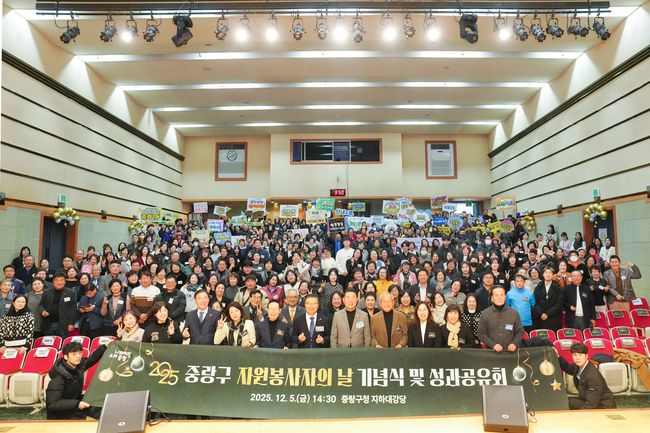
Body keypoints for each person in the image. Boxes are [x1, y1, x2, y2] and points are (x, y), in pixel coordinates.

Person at [46, 340, 109, 419]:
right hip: (60, 415)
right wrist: (77, 404)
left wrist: (104, 346)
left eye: (80, 353)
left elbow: (93, 358)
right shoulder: (58, 378)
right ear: (66, 357)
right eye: (74, 354)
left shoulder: (79, 366)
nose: (78, 356)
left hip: (74, 404)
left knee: (98, 404)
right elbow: (52, 404)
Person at [556, 342, 616, 410]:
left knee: (567, 405)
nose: (577, 358)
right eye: (575, 355)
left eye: (580, 355)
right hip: (588, 400)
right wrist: (558, 357)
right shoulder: (579, 366)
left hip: (603, 407)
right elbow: (568, 368)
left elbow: (591, 405)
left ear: (586, 356)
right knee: (565, 402)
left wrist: (578, 414)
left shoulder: (593, 376)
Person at [477, 286, 524, 352]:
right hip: (492, 352)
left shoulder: (514, 313)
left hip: (510, 353)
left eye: (501, 295)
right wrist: (493, 345)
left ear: (505, 297)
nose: (499, 298)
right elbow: (481, 333)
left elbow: (520, 331)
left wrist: (514, 343)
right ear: (492, 298)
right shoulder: (485, 313)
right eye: (496, 295)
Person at [39, 272, 77, 337]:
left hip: (64, 325)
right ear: (53, 281)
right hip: (48, 324)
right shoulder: (46, 292)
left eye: (61, 280)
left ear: (65, 281)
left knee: (62, 342)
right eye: (57, 280)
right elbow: (41, 305)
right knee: (48, 342)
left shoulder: (71, 293)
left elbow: (73, 309)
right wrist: (43, 311)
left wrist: (71, 323)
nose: (59, 282)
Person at [533, 267, 564, 331]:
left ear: (553, 275)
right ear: (543, 274)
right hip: (540, 317)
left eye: (550, 273)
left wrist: (548, 314)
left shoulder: (558, 287)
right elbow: (535, 302)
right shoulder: (538, 287)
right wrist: (541, 313)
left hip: (554, 318)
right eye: (546, 272)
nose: (548, 274)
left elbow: (559, 303)